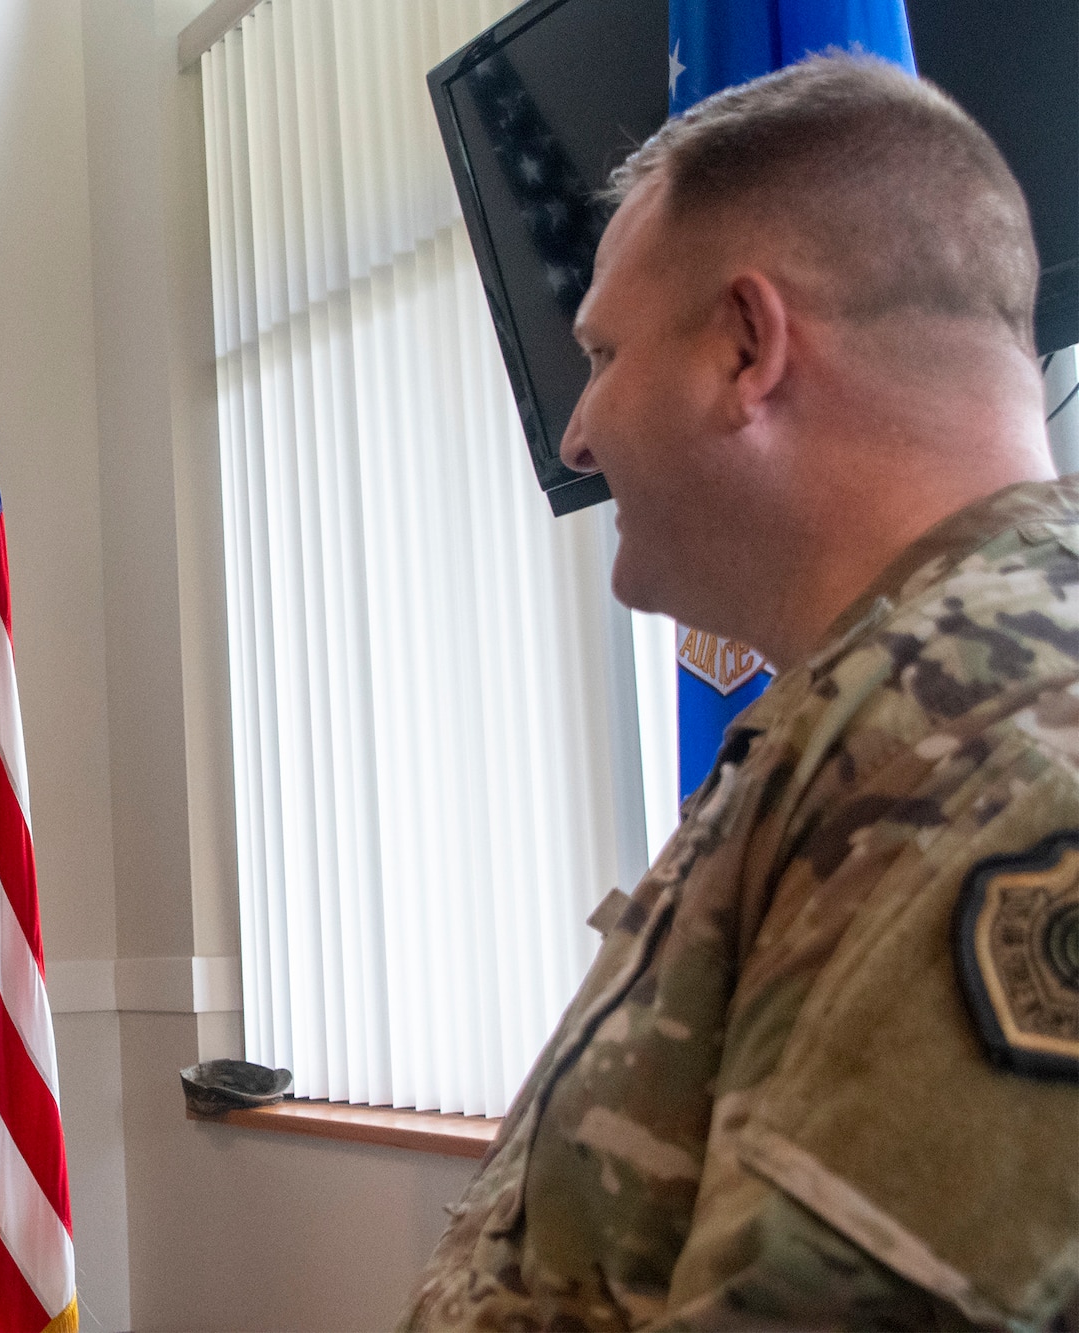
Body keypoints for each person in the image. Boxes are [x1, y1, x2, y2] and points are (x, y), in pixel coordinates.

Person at [406, 56, 1079, 1329]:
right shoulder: (886, 707)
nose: (577, 435)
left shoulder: (989, 750)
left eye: (600, 352)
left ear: (744, 345)